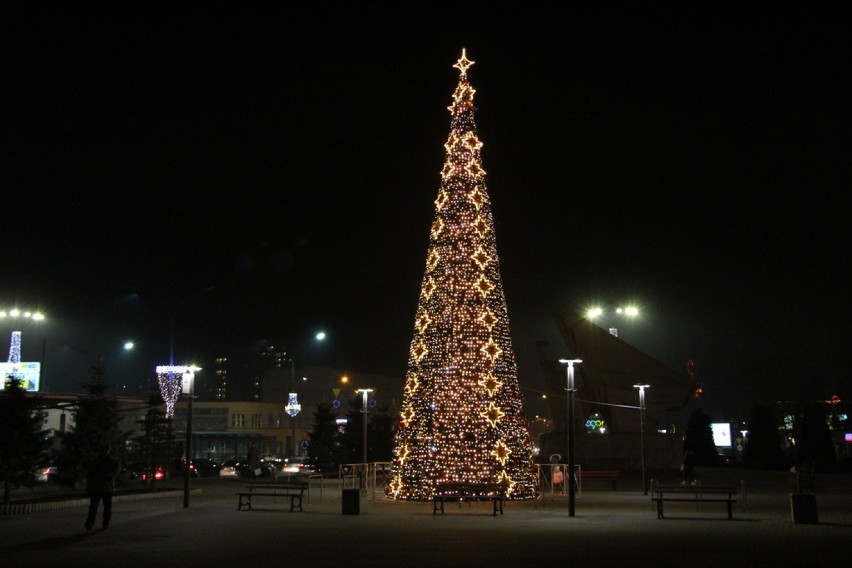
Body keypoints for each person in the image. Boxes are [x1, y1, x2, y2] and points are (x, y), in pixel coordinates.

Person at [85, 445, 122, 531]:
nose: (105, 452)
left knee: (107, 507)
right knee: (94, 506)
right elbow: (90, 474)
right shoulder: (96, 462)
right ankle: (90, 522)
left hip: (107, 488)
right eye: (104, 451)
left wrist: (110, 475)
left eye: (106, 451)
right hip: (97, 487)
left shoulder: (112, 461)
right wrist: (89, 485)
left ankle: (106, 522)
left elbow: (117, 469)